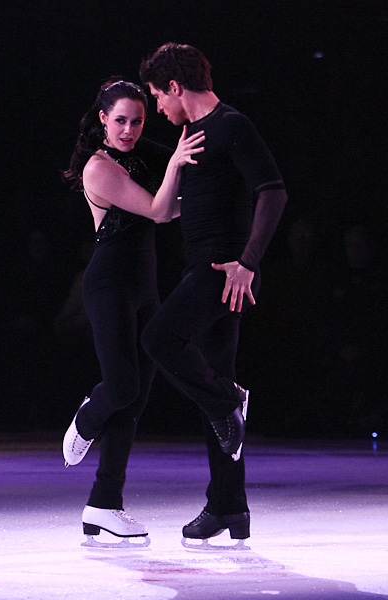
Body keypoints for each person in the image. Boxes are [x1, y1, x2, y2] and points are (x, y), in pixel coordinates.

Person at [139, 43, 288, 540]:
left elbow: (273, 190)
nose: (158, 107)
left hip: (223, 271)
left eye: (159, 95)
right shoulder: (191, 134)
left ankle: (229, 401)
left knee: (159, 339)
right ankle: (229, 507)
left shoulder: (231, 125)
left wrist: (248, 262)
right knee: (214, 385)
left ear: (176, 87)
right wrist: (174, 164)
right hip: (201, 268)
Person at [61, 78, 205, 540]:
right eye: (120, 120)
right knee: (121, 385)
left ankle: (104, 503)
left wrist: (200, 180)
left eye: (137, 121)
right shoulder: (98, 168)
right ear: (103, 118)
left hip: (144, 282)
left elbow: (181, 182)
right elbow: (160, 210)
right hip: (108, 283)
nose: (129, 129)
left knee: (138, 395)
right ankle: (86, 417)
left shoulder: (144, 154)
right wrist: (179, 168)